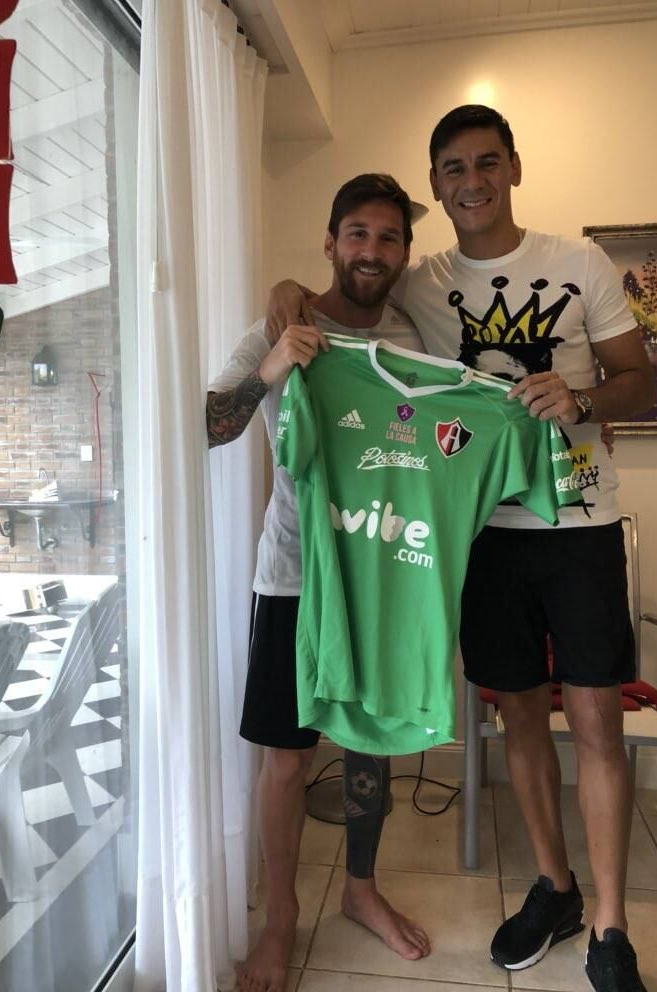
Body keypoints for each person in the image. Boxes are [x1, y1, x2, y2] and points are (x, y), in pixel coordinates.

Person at [266, 106, 656, 992]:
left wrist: (585, 400)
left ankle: (612, 924)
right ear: (437, 187)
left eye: (486, 163)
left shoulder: (579, 263)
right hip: (478, 536)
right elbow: (346, 284)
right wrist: (285, 293)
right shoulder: (421, 279)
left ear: (514, 167)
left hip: (580, 522)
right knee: (517, 716)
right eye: (453, 169)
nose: (471, 181)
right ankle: (555, 889)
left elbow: (640, 379)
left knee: (596, 722)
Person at [207, 174, 431, 992]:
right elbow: (209, 425)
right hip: (293, 578)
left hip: (383, 576)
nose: (372, 250)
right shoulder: (281, 323)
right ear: (331, 242)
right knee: (286, 759)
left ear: (405, 252)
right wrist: (271, 366)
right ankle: (282, 919)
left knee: (370, 743)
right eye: (358, 234)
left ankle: (360, 890)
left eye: (389, 237)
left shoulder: (415, 336)